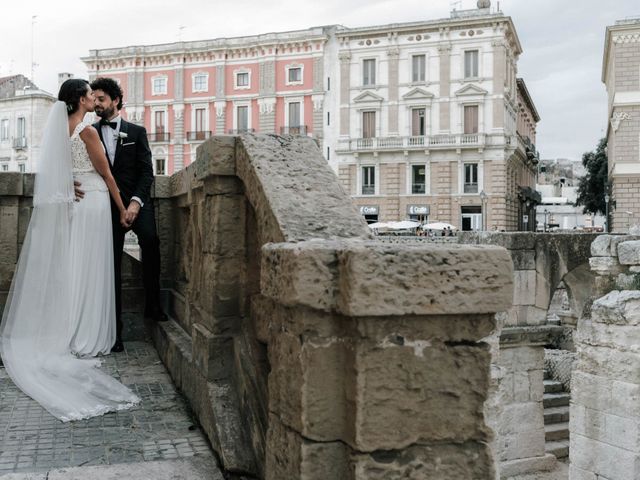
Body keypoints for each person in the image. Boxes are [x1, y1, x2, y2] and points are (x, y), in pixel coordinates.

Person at [0, 79, 140, 421]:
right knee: (91, 268)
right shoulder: (88, 132)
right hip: (92, 203)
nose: (95, 98)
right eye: (90, 95)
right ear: (80, 99)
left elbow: (57, 172)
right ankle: (86, 335)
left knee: (74, 266)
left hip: (74, 206)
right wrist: (123, 209)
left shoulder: (61, 130)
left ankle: (70, 329)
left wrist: (67, 183)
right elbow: (106, 175)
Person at [80, 77, 167, 354]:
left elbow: (146, 172)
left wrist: (135, 204)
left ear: (116, 100)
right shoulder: (88, 131)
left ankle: (153, 304)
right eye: (94, 99)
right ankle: (113, 331)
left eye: (101, 99)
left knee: (151, 240)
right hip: (103, 207)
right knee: (110, 265)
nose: (97, 104)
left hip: (136, 203)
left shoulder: (137, 131)